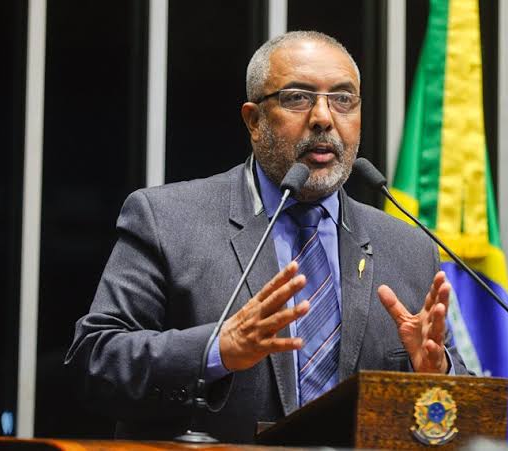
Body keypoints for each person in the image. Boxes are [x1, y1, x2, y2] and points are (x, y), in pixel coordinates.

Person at [65, 31, 469, 444]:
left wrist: (436, 374)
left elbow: (458, 413)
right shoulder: (167, 219)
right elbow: (95, 361)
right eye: (298, 97)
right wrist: (216, 349)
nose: (324, 118)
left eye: (343, 98)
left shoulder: (407, 246)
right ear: (253, 121)